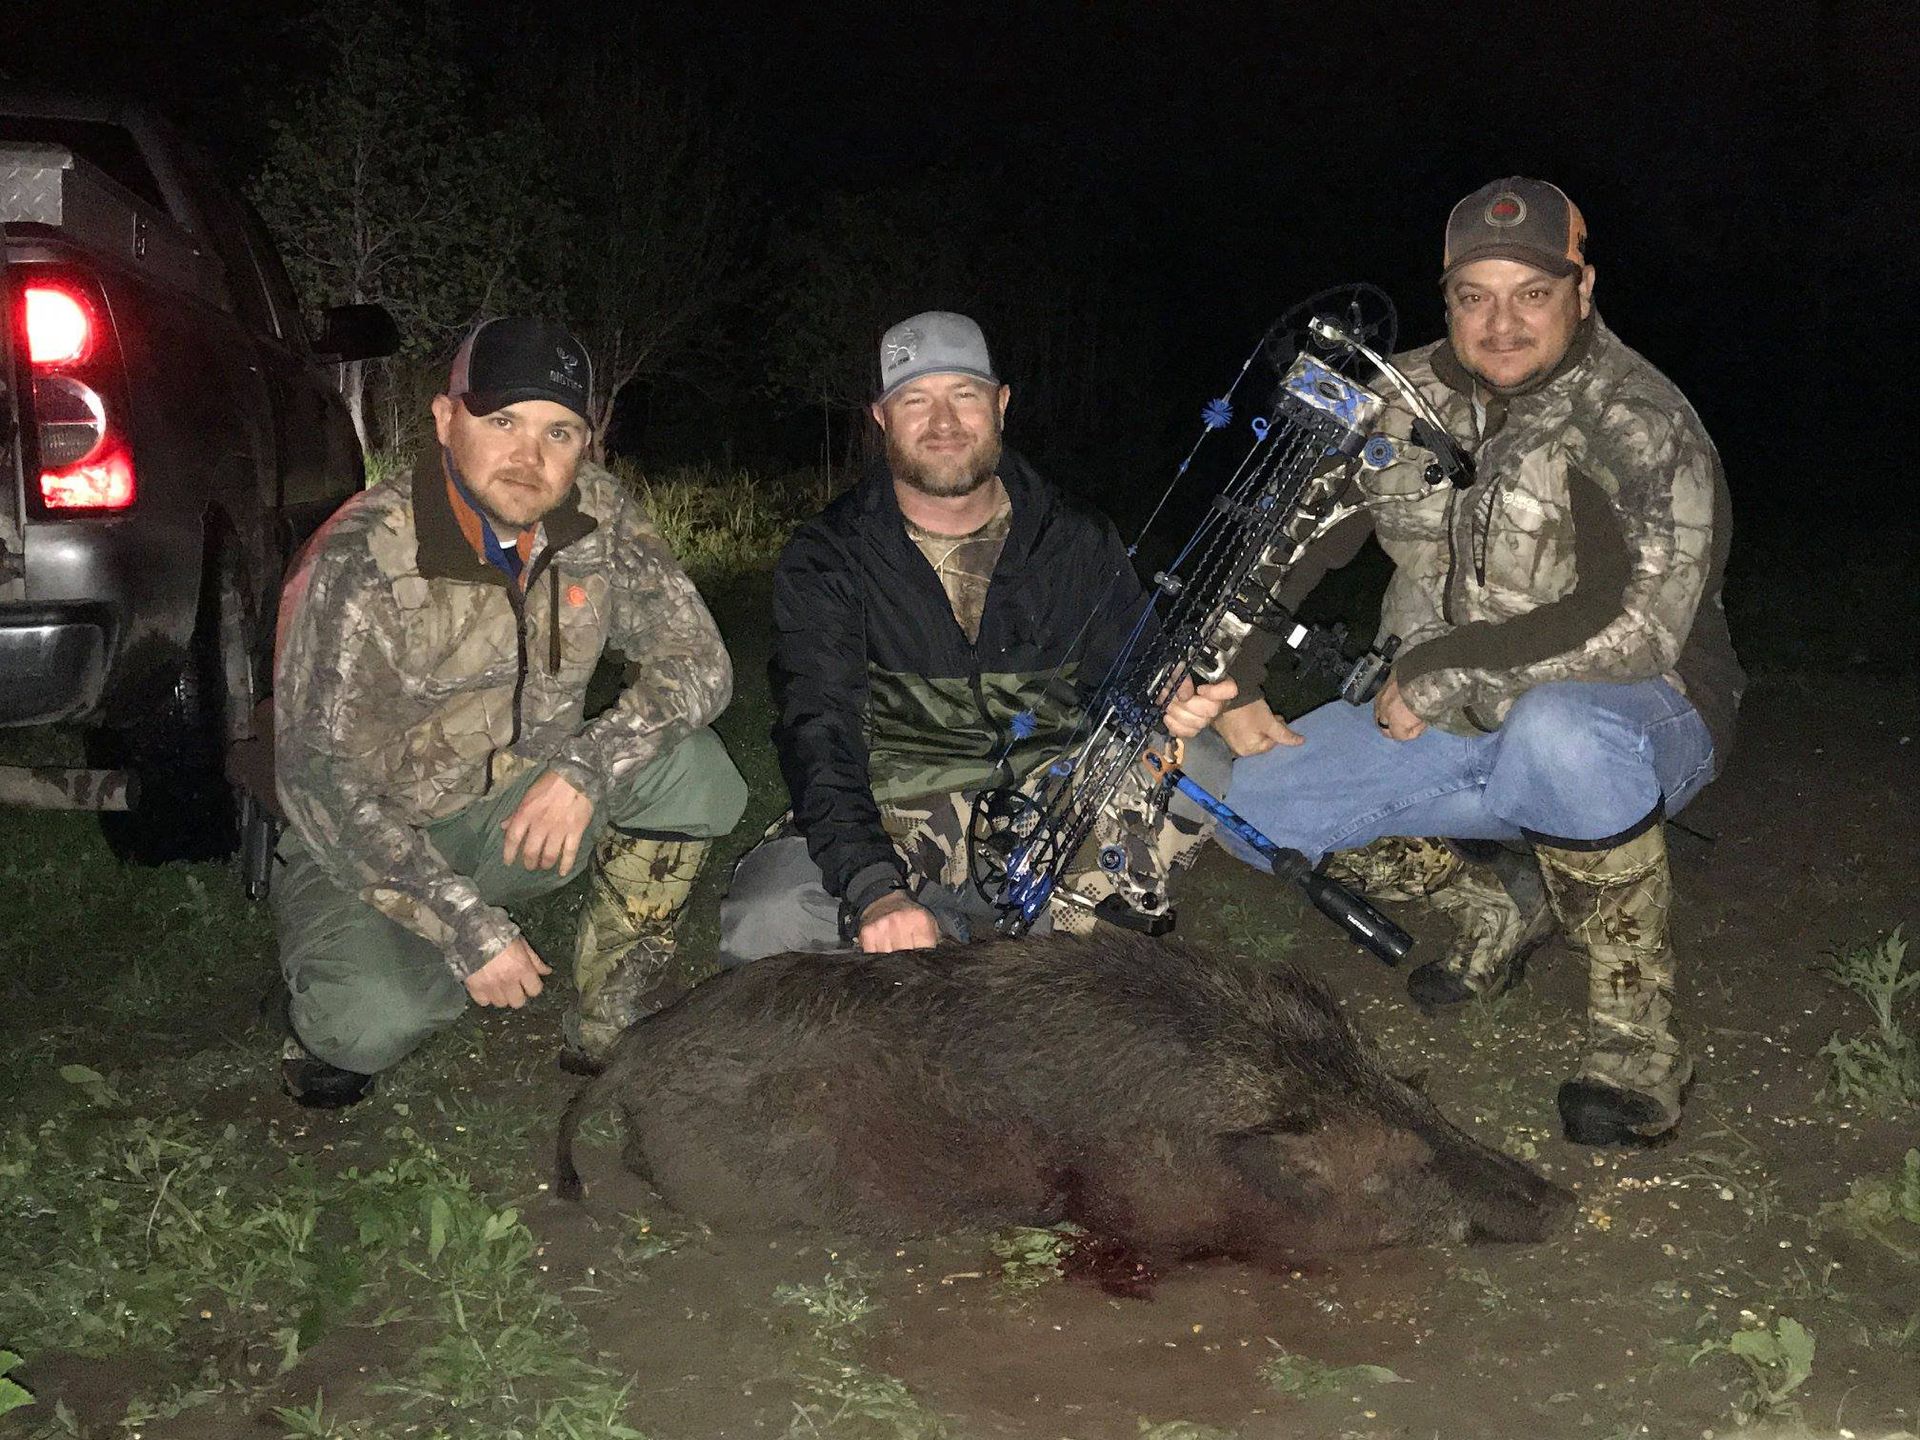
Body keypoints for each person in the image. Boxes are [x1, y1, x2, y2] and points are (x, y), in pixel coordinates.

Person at [1216, 179, 1743, 1147]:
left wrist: (1443, 671)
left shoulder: (1640, 417)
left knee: (1562, 729)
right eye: (1473, 296)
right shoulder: (1395, 398)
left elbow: (1640, 625)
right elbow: (1288, 540)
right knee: (1248, 805)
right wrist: (1231, 677)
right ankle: (1493, 906)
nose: (1499, 323)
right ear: (1447, 297)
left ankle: (1636, 1036)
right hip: (1445, 723)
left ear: (1581, 288)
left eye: (1530, 293)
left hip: (1637, 720)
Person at [272, 316, 747, 1107]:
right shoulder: (361, 558)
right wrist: (468, 927)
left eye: (559, 431)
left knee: (694, 772)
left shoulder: (596, 513)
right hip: (367, 835)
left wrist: (585, 768)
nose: (530, 457)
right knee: (369, 1028)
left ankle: (611, 1012)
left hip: (517, 810)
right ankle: (315, 995)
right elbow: (319, 778)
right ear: (445, 419)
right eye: (504, 422)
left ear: (586, 443)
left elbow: (700, 663)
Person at [720, 311, 1231, 962]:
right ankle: (943, 927)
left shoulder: (1076, 535)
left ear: (1000, 403)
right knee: (771, 916)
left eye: (963, 394)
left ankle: (1070, 951)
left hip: (1049, 801)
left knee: (1199, 755)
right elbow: (818, 735)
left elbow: (1129, 672)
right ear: (880, 418)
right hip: (898, 807)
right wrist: (874, 887)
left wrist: (1166, 696)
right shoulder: (828, 557)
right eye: (915, 399)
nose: (943, 423)